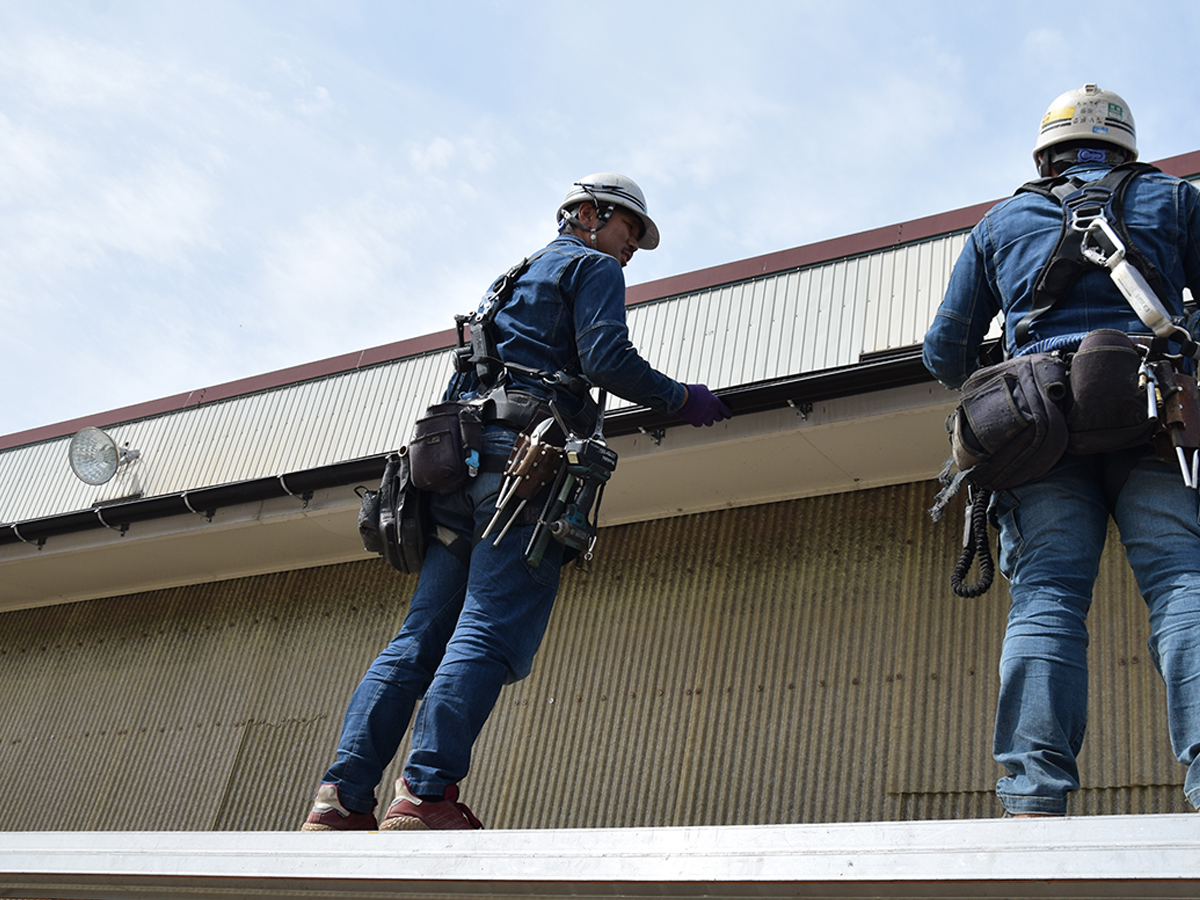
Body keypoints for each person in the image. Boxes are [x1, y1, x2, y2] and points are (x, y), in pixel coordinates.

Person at [302, 173, 732, 831]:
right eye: (627, 232)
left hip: (453, 464)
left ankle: (342, 797)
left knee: (420, 634)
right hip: (521, 469)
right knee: (488, 622)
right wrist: (682, 398)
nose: (630, 251)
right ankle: (425, 794)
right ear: (587, 213)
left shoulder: (506, 283)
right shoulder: (591, 268)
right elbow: (608, 358)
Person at [923, 84, 1200, 817]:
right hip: (1158, 416)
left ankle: (1033, 797)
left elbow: (943, 353)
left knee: (1047, 599)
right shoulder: (1176, 200)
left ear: (1045, 151)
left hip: (1038, 430)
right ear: (1126, 145)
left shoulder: (1002, 222)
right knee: (1181, 583)